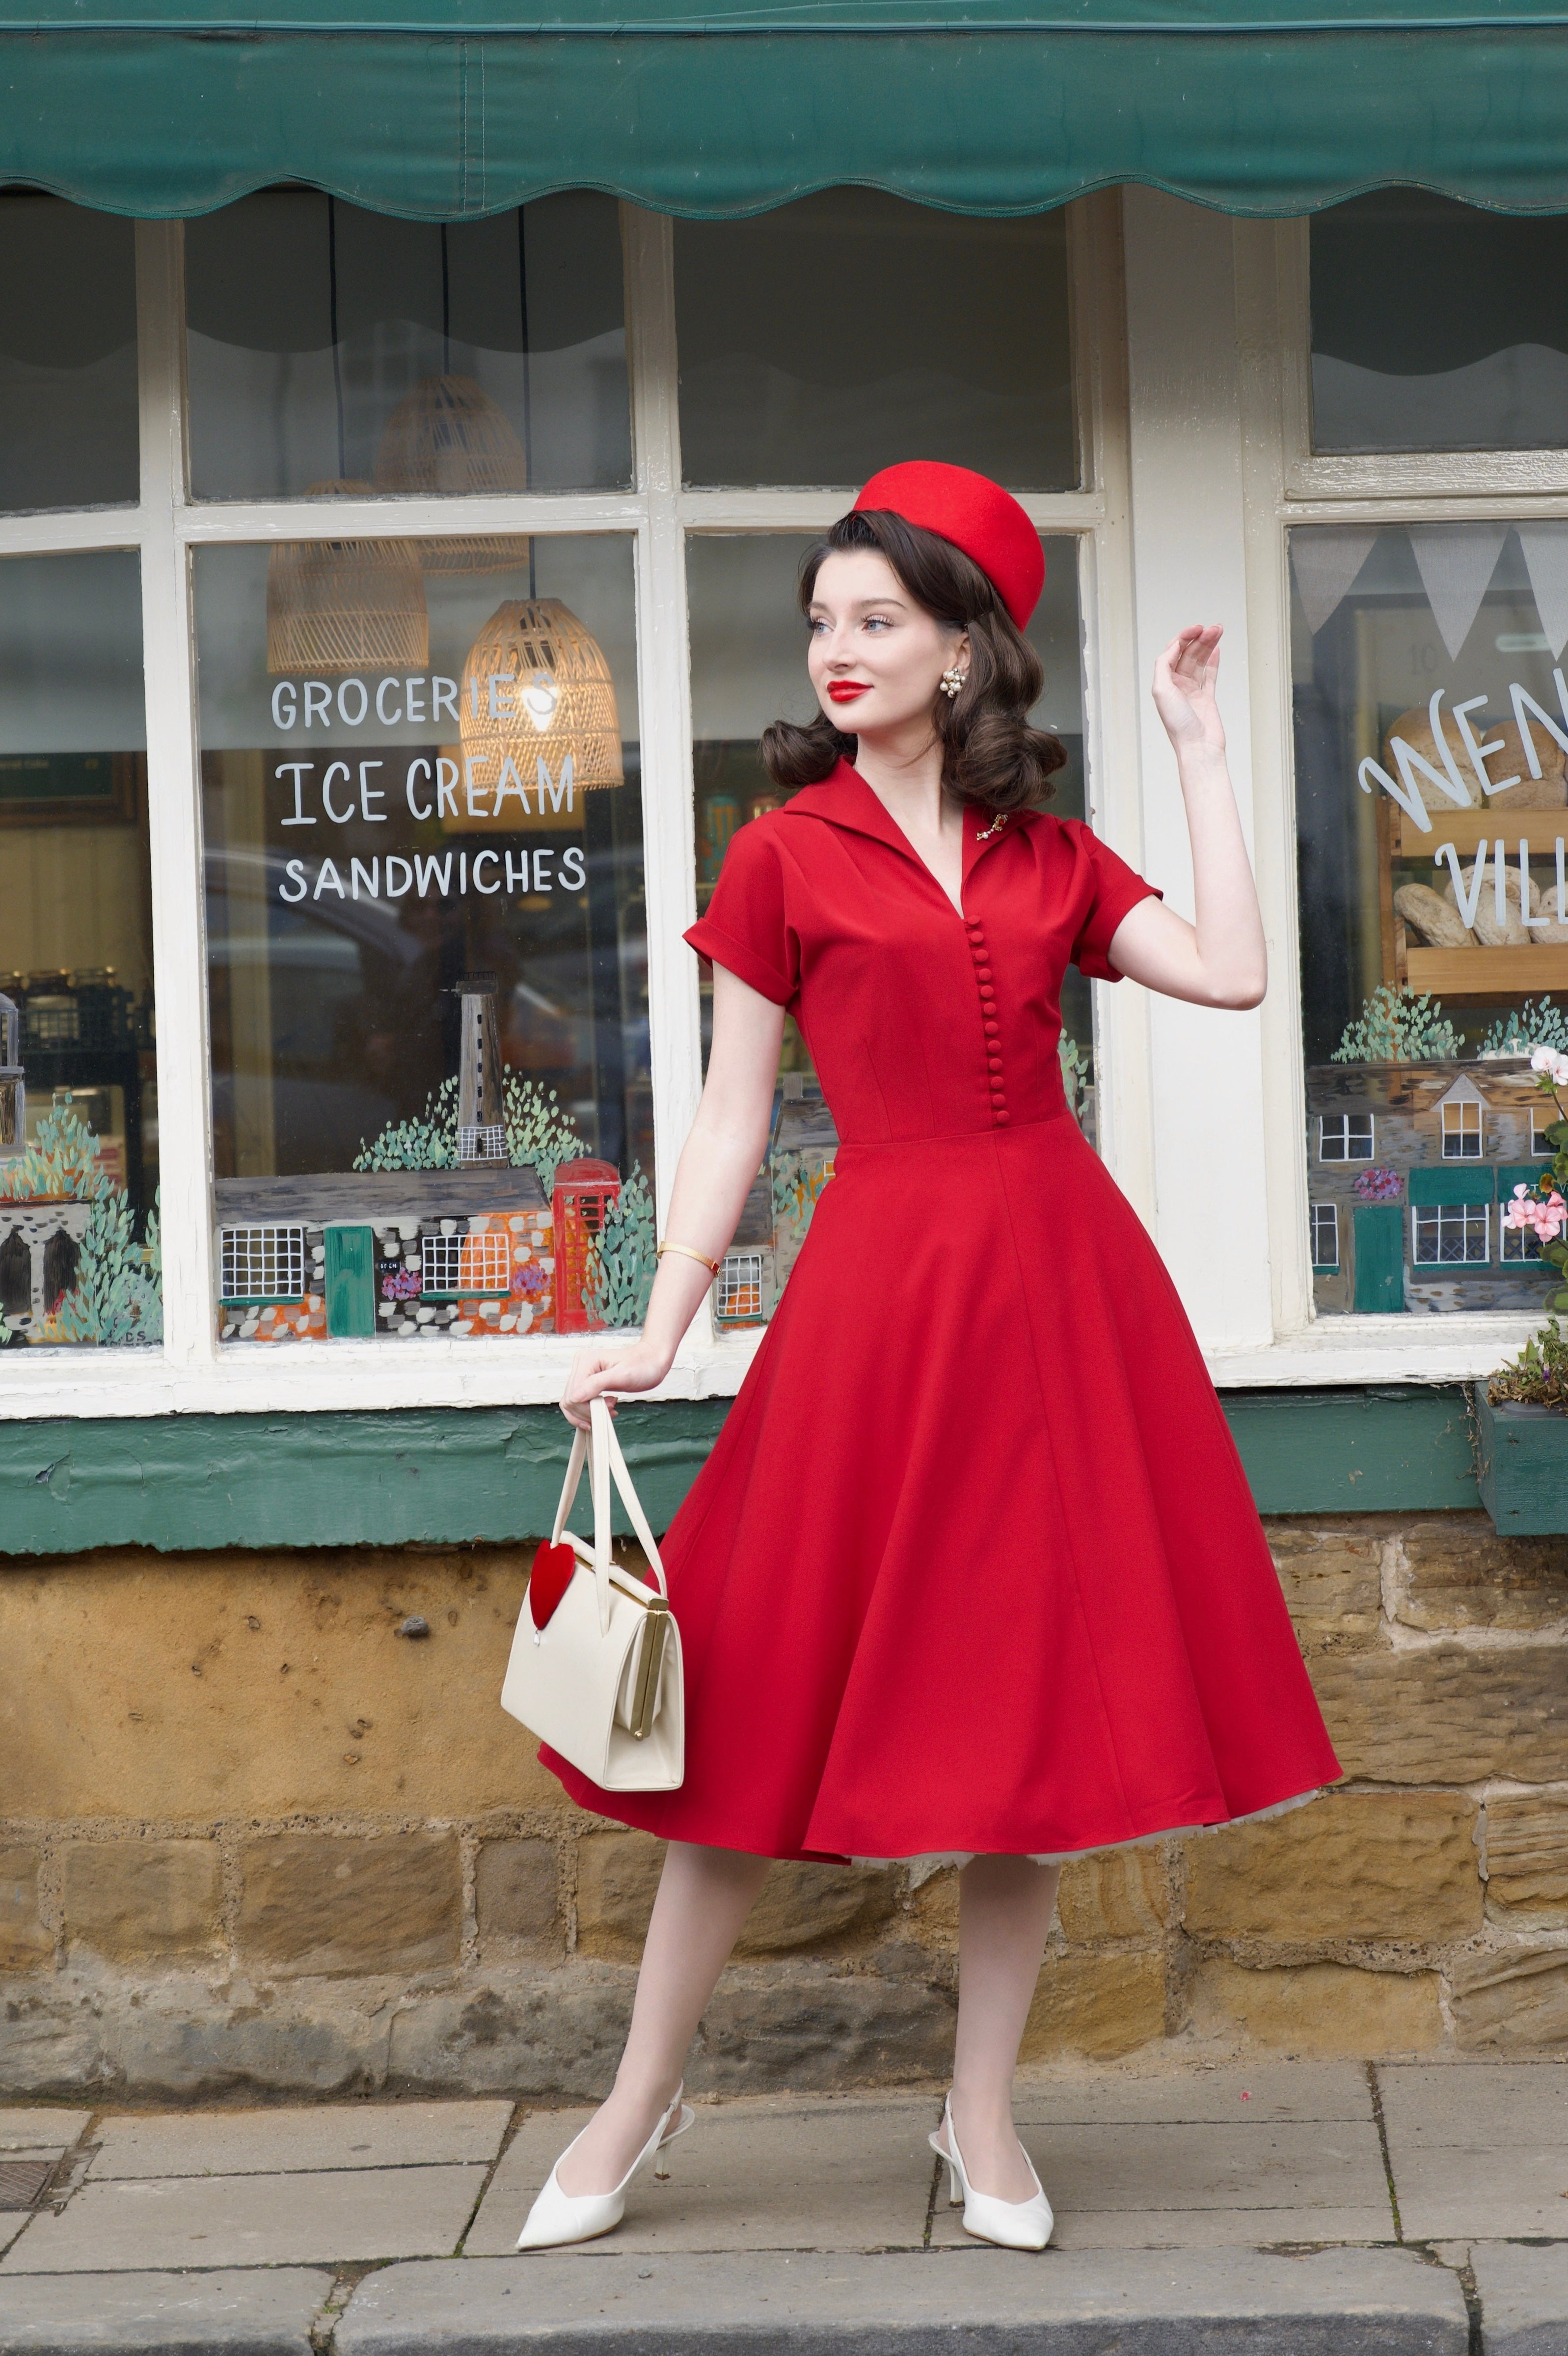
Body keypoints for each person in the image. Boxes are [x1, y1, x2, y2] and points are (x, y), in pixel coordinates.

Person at [518, 461, 1339, 2256]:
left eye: (876, 619)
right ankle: (632, 2102)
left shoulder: (1051, 860)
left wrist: (1199, 744)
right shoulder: (779, 851)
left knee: (1026, 1719)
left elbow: (1229, 975)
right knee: (745, 1700)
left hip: (1056, 1298)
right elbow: (734, 1120)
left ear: (964, 649)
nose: (836, 648)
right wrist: (664, 1325)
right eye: (821, 620)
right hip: (877, 1297)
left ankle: (981, 2119)